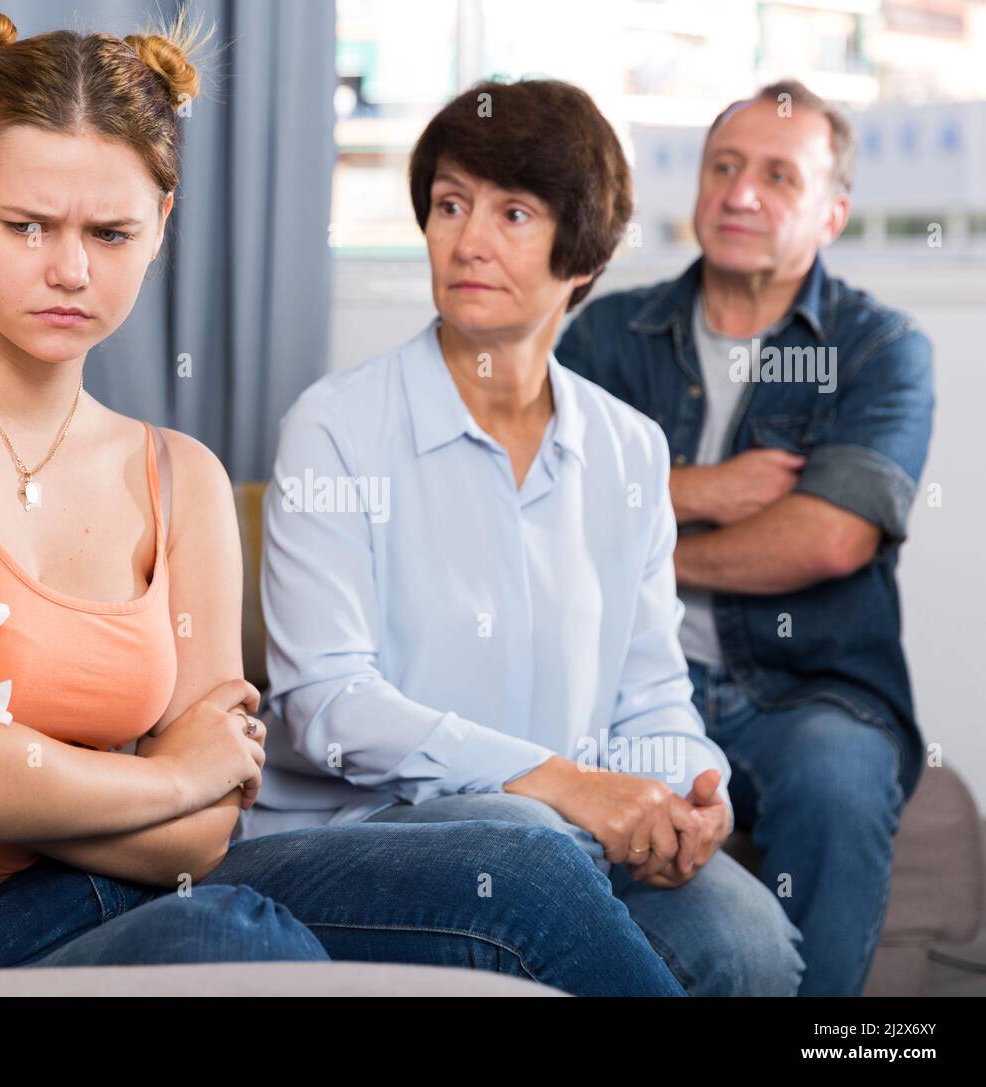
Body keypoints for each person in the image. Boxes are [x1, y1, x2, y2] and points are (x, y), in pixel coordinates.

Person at [0, 9, 684, 996]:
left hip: (153, 889)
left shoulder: (180, 475)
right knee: (238, 937)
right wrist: (168, 775)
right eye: (25, 226)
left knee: (528, 876)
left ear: (161, 224)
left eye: (110, 232)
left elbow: (207, 829)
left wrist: (138, 792)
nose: (69, 269)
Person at [241, 78, 804, 997]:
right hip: (361, 829)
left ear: (581, 256)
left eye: (513, 213)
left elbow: (653, 693)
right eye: (451, 204)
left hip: (565, 830)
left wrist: (699, 793)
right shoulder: (336, 424)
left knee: (748, 940)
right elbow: (327, 705)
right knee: (534, 842)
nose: (468, 240)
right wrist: (556, 780)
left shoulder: (627, 446)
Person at [554, 80, 935, 996]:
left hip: (809, 690)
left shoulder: (881, 348)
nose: (740, 193)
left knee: (839, 783)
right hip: (631, 691)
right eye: (722, 167)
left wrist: (650, 533)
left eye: (777, 175)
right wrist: (711, 491)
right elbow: (547, 510)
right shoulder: (608, 333)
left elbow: (831, 539)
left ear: (832, 212)